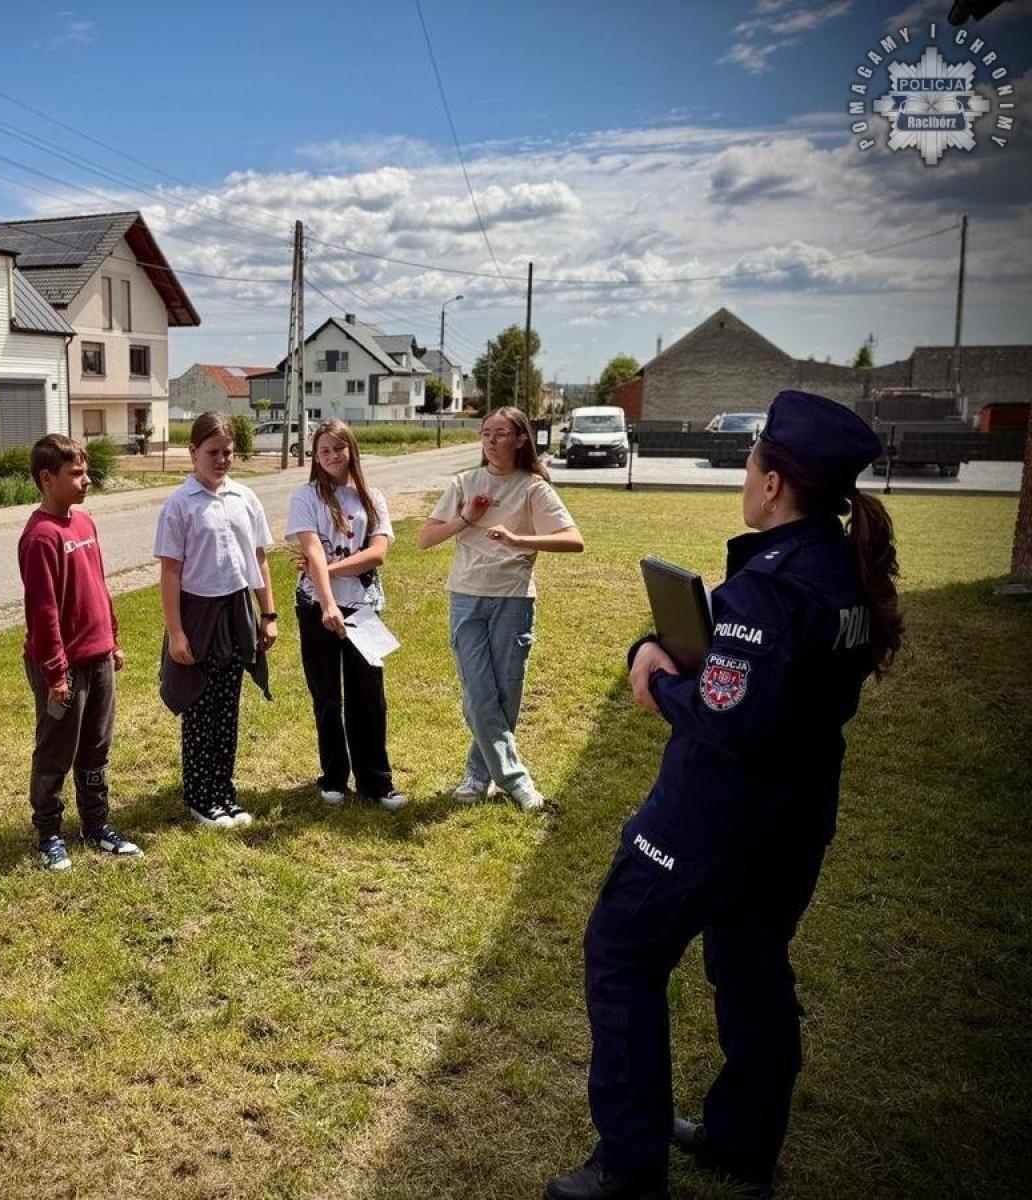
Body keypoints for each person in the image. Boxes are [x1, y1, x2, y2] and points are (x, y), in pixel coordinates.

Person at [546, 391, 901, 1200]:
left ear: (773, 484)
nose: (746, 476)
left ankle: (630, 1167)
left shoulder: (770, 589)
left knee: (623, 954)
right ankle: (744, 1138)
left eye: (752, 462)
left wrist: (655, 676)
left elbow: (727, 716)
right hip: (796, 814)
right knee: (750, 965)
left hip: (715, 815)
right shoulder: (840, 569)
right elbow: (772, 689)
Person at [417, 405, 583, 811]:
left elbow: (574, 540)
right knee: (478, 693)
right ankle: (516, 781)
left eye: (501, 434)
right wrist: (466, 518)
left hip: (513, 598)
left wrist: (518, 539)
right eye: (486, 433)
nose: (491, 441)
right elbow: (425, 538)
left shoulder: (533, 489)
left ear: (521, 439)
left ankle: (477, 775)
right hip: (467, 597)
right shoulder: (464, 483)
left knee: (505, 695)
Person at [17, 433, 141, 870]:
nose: (87, 480)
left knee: (96, 747)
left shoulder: (84, 524)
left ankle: (96, 824)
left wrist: (113, 639)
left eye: (86, 471)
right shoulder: (40, 538)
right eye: (77, 473)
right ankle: (49, 832)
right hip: (62, 670)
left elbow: (99, 587)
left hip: (99, 658)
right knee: (55, 752)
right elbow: (43, 612)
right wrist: (55, 673)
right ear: (47, 478)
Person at [154, 411, 277, 829]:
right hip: (197, 614)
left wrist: (268, 613)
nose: (221, 459)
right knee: (200, 706)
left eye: (227, 452)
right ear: (192, 452)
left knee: (228, 706)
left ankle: (224, 793)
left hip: (236, 611)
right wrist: (176, 633)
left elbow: (258, 558)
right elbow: (170, 571)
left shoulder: (245, 498)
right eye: (212, 452)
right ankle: (199, 797)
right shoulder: (180, 505)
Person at [285, 419, 407, 810]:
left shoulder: (372, 497)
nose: (332, 456)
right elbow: (313, 548)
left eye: (338, 448)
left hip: (364, 609)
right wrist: (327, 601)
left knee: (369, 696)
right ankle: (333, 776)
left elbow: (377, 555)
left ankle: (377, 782)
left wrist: (323, 569)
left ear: (350, 449)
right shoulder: (305, 498)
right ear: (315, 457)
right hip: (316, 608)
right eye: (324, 451)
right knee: (326, 696)